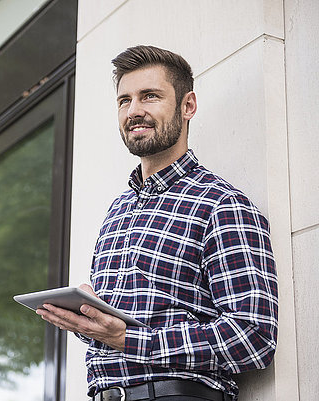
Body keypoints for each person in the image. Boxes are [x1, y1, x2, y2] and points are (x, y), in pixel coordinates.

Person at [36, 45, 278, 401]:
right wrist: (88, 322)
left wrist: (128, 339)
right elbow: (120, 329)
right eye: (124, 100)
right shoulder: (118, 210)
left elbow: (254, 336)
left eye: (149, 96)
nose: (134, 111)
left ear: (187, 106)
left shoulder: (221, 204)